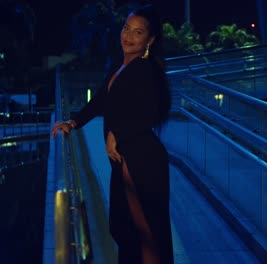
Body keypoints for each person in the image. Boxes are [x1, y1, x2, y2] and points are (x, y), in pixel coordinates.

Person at [51, 4, 173, 264]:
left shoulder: (144, 68)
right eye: (126, 28)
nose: (128, 36)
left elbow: (149, 113)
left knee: (144, 233)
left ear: (150, 40)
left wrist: (117, 133)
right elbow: (99, 101)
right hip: (127, 157)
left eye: (138, 33)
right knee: (127, 228)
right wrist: (73, 123)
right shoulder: (122, 65)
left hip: (142, 161)